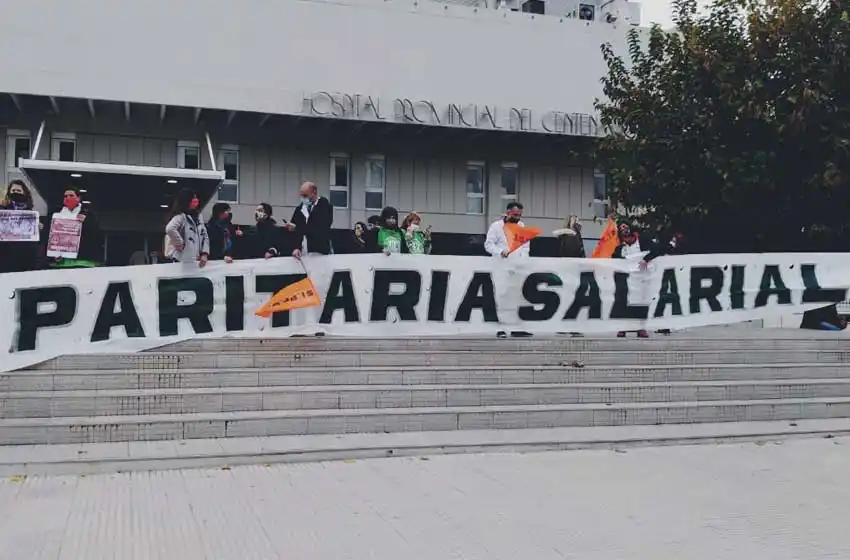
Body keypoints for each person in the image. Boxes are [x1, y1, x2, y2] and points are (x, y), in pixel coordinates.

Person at [485, 201, 532, 338]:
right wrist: (500, 252)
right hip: (501, 266)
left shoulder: (521, 226)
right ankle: (500, 328)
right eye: (515, 214)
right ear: (508, 212)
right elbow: (488, 245)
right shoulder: (496, 226)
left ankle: (516, 328)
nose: (517, 218)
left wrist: (523, 259)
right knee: (501, 297)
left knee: (517, 296)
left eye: (519, 215)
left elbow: (525, 246)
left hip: (517, 267)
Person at [612, 222, 653, 338]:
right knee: (623, 302)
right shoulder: (619, 248)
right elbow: (614, 261)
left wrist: (646, 259)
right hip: (626, 279)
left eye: (628, 237)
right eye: (624, 237)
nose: (627, 240)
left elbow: (656, 250)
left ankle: (640, 327)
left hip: (641, 279)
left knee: (641, 302)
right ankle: (623, 327)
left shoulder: (644, 244)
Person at [45, 186, 103, 269]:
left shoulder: (88, 214)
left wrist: (86, 222)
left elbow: (96, 235)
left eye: (71, 195)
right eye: (65, 196)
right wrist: (54, 253)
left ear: (78, 198)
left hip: (83, 261)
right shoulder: (56, 215)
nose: (68, 198)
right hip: (63, 261)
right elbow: (50, 236)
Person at [553, 215, 585, 337]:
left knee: (569, 297)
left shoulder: (574, 235)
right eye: (576, 219)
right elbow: (572, 252)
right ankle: (569, 324)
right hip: (571, 269)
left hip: (571, 269)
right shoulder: (571, 235)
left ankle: (565, 324)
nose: (579, 222)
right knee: (571, 297)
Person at [0, 180, 41, 273]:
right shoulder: (2, 210)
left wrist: (38, 228)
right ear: (9, 192)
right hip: (4, 256)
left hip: (25, 257)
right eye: (13, 190)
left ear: (25, 193)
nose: (15, 193)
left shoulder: (31, 214)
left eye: (19, 191)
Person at [286, 181, 333, 259]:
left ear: (314, 193)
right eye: (301, 195)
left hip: (319, 251)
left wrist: (297, 228)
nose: (303, 198)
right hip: (303, 251)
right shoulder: (300, 209)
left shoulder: (324, 206)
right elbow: (295, 231)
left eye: (305, 195)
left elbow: (320, 228)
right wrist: (296, 247)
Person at [164, 188, 209, 267]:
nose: (196, 200)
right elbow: (170, 228)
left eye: (196, 198)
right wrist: (179, 243)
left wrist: (204, 253)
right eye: (194, 198)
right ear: (187, 200)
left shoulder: (199, 217)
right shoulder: (181, 217)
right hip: (181, 261)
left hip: (196, 261)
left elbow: (205, 235)